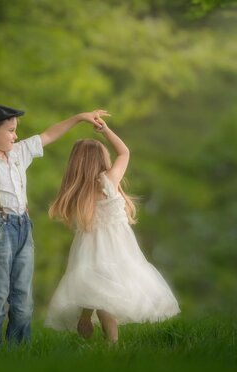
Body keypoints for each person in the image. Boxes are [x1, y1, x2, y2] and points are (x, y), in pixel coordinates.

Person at [0, 104, 106, 344]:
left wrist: (80, 118)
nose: (16, 136)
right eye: (12, 131)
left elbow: (49, 135)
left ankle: (19, 350)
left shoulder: (18, 153)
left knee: (23, 296)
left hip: (23, 227)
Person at [44, 114, 180, 343]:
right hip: (118, 247)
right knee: (105, 290)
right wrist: (105, 130)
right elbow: (125, 152)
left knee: (94, 284)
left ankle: (87, 318)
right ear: (101, 160)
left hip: (88, 248)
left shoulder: (78, 191)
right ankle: (112, 344)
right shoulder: (109, 180)